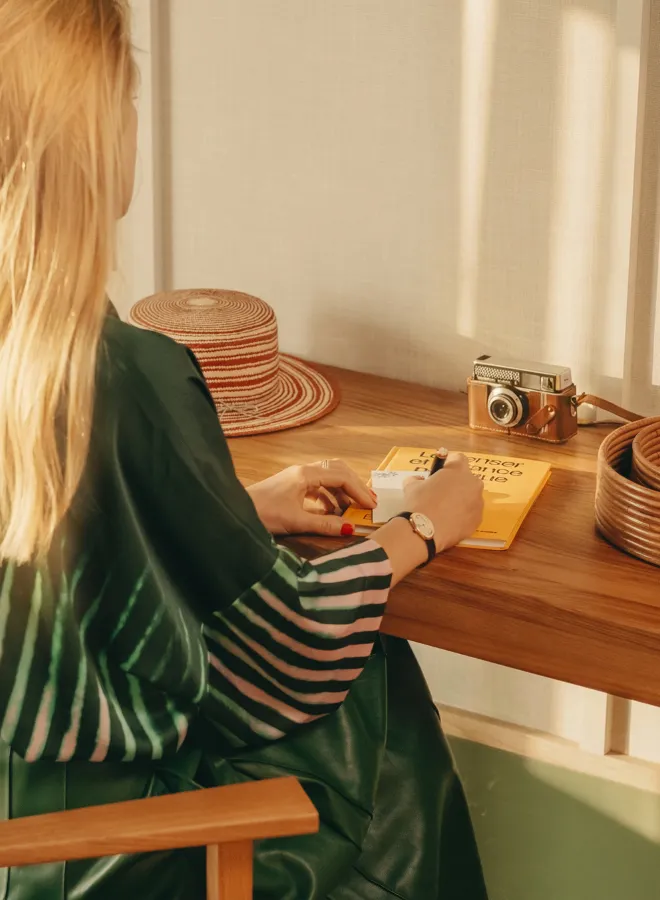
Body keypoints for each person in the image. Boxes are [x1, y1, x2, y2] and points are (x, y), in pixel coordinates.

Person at [0, 2, 488, 898]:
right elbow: (284, 651)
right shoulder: (122, 374)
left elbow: (42, 571)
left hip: (15, 829)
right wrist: (424, 526)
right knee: (376, 690)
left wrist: (237, 508)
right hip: (108, 853)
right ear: (101, 143)